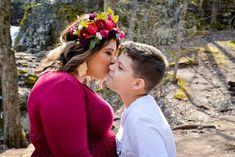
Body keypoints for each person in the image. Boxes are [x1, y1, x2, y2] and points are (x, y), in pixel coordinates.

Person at [27, 7, 125, 157]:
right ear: (85, 51)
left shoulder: (69, 81)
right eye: (108, 53)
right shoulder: (60, 85)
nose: (113, 61)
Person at [105, 41, 177, 157]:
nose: (111, 67)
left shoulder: (142, 120)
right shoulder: (138, 110)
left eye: (120, 67)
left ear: (137, 84)